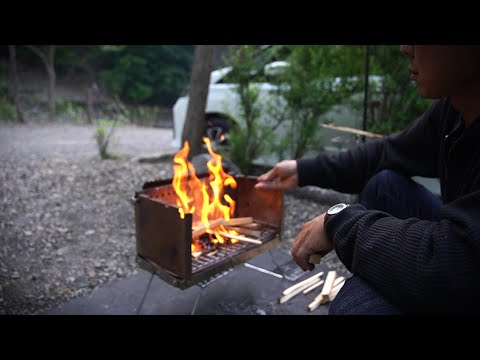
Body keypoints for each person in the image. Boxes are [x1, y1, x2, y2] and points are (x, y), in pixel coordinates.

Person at [255, 45, 480, 315]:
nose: (405, 48)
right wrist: (303, 170)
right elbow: (387, 154)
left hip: (464, 262)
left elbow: (455, 261)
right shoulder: (455, 110)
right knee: (383, 185)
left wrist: (339, 221)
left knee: (356, 305)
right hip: (462, 245)